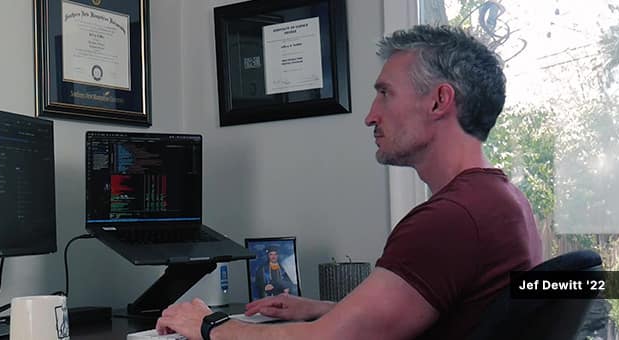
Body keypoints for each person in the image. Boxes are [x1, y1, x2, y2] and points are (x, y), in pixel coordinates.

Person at [155, 25, 543, 340]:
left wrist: (210, 325)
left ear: (439, 101)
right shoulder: (502, 200)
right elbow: (434, 312)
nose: (371, 116)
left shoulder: (451, 219)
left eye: (384, 94)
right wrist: (320, 309)